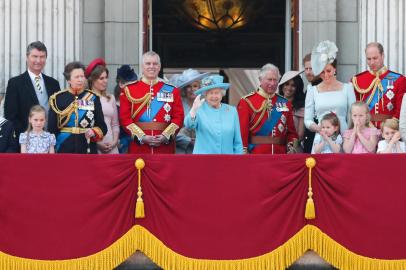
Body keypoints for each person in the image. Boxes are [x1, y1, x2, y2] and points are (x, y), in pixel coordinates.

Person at [119, 51, 184, 154]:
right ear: (142, 66)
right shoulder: (129, 90)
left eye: (155, 64)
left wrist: (165, 136)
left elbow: (179, 117)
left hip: (164, 148)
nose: (151, 66)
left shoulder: (172, 90)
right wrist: (142, 136)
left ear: (159, 67)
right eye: (148, 63)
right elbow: (125, 119)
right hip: (139, 147)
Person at [305, 40, 356, 153]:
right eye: (322, 72)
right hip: (321, 138)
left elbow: (352, 116)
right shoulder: (312, 90)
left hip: (343, 136)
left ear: (335, 69)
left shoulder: (347, 88)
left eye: (328, 71)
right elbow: (307, 120)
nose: (326, 75)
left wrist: (348, 135)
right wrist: (321, 130)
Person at [237, 63, 298, 154]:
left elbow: (291, 132)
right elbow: (242, 132)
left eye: (275, 80)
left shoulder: (285, 103)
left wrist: (291, 147)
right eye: (269, 79)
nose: (272, 83)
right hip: (256, 154)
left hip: (280, 155)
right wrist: (244, 152)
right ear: (260, 80)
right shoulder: (246, 101)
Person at [48, 61, 107, 153]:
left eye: (82, 76)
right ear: (68, 80)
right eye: (76, 77)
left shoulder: (93, 98)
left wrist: (94, 131)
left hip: (87, 147)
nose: (80, 80)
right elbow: (51, 129)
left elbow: (102, 126)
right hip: (64, 146)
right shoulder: (58, 98)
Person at [4, 41, 61, 137]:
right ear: (27, 57)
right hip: (26, 141)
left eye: (42, 57)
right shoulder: (15, 83)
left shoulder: (54, 84)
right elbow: (11, 116)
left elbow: (59, 114)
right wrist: (26, 136)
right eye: (35, 56)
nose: (38, 61)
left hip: (50, 140)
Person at [352, 42, 406, 128]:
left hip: (389, 130)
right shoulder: (357, 80)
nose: (372, 62)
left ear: (383, 56)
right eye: (369, 59)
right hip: (365, 129)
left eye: (375, 58)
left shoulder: (399, 80)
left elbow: (400, 109)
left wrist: (391, 128)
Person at [184, 75, 243, 154]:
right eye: (210, 93)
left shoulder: (232, 111)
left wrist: (238, 161)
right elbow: (188, 125)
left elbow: (237, 141)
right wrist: (194, 109)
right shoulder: (199, 109)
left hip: (227, 160)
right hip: (203, 161)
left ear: (222, 94)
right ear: (205, 94)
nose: (214, 96)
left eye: (217, 93)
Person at [86, 58, 119, 154]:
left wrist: (114, 142)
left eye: (106, 77)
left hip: (112, 147)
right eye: (101, 78)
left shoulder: (111, 98)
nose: (105, 81)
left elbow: (115, 124)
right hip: (94, 147)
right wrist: (97, 143)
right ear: (92, 80)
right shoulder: (86, 99)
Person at [172, 69, 209, 154]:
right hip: (181, 151)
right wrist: (188, 140)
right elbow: (172, 130)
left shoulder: (206, 106)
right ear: (184, 89)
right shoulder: (177, 105)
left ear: (200, 88)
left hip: (203, 150)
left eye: (195, 86)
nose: (192, 89)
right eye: (188, 86)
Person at [278, 71, 306, 149]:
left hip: (294, 149)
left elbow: (300, 135)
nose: (289, 88)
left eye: (293, 85)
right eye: (286, 84)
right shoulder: (274, 103)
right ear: (282, 85)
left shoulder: (301, 108)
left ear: (298, 88)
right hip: (276, 148)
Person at [115, 65, 138, 153]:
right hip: (121, 144)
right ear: (121, 84)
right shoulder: (113, 103)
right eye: (130, 83)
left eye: (135, 83)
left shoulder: (138, 100)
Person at [302, 53, 322, 153]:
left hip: (321, 136)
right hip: (310, 135)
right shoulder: (309, 88)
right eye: (306, 69)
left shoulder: (323, 87)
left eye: (312, 68)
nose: (309, 72)